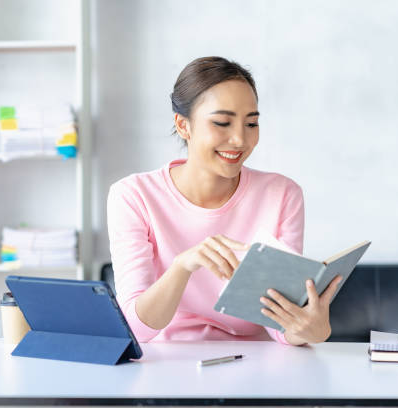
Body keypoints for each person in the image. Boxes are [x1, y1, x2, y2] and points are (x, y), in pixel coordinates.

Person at [107, 56, 342, 346]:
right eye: (222, 122)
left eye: (251, 123)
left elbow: (278, 325)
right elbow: (137, 328)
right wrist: (182, 266)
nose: (240, 140)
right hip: (165, 364)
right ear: (183, 126)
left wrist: (307, 330)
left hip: (252, 363)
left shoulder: (282, 194)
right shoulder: (133, 196)